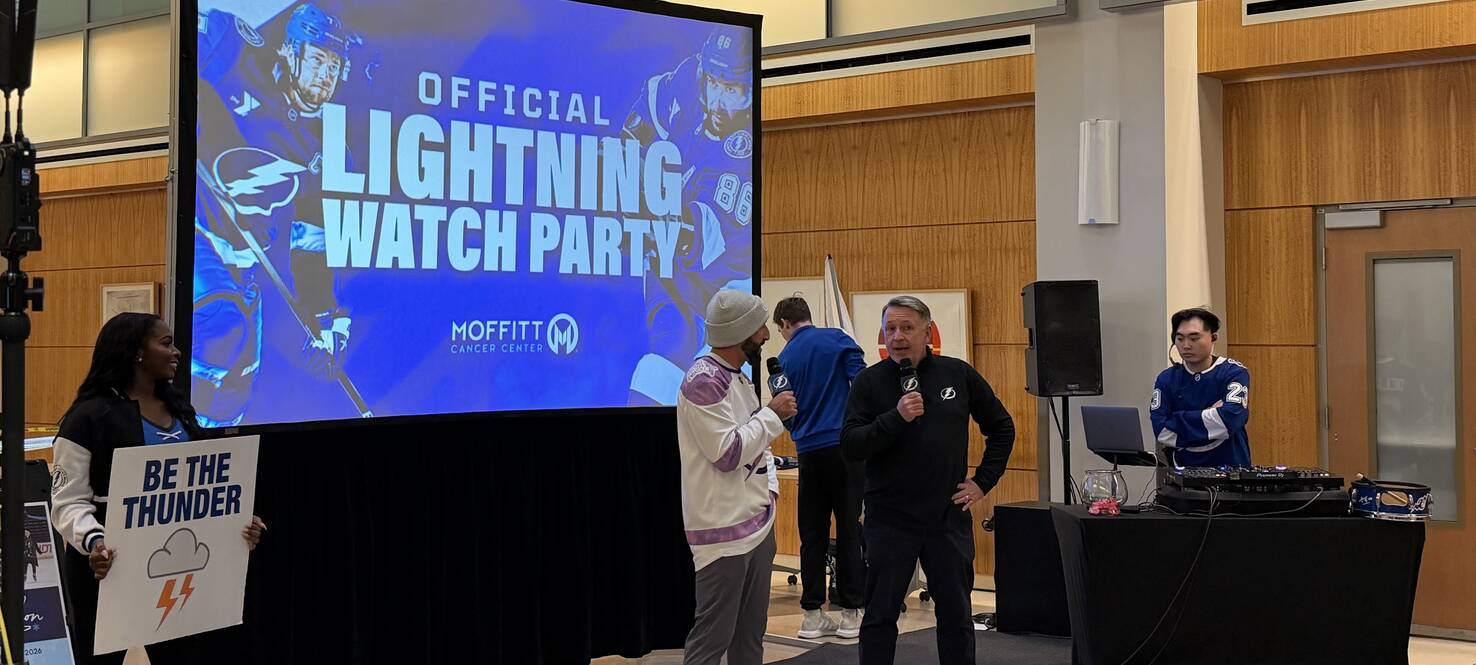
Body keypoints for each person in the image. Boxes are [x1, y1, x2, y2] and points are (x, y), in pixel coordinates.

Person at [51, 313, 267, 665]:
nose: (177, 352)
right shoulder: (87, 418)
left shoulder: (183, 411)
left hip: (179, 570)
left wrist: (237, 522)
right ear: (136, 352)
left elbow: (204, 488)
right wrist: (95, 542)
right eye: (166, 343)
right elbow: (67, 502)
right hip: (107, 570)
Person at [193, 3, 364, 426]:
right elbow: (185, 50)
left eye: (334, 66)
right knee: (222, 325)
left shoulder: (326, 147)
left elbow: (311, 243)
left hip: (246, 264)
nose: (325, 75)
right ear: (290, 51)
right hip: (200, 237)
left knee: (237, 383)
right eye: (318, 59)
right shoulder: (236, 55)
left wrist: (326, 323)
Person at [841, 296, 1014, 665]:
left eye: (907, 328)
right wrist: (895, 418)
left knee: (956, 616)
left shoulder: (957, 374)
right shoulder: (869, 382)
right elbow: (851, 444)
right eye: (890, 329)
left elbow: (1001, 427)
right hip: (889, 518)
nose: (897, 337)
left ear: (927, 331)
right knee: (880, 615)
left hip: (946, 517)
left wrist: (983, 482)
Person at [625, 25, 756, 405]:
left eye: (731, 90)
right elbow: (634, 134)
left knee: (714, 373)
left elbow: (696, 238)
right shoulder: (688, 78)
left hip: (727, 281)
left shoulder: (741, 157)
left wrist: (641, 207)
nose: (717, 101)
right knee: (669, 344)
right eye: (714, 82)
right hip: (675, 270)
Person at [677, 290, 796, 665]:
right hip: (723, 533)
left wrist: (770, 494)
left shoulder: (737, 378)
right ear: (740, 332)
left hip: (756, 523)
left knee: (749, 638)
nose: (766, 334)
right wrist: (772, 415)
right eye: (760, 327)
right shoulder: (703, 381)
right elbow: (728, 453)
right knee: (712, 641)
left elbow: (756, 447)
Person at [772, 296, 867, 639]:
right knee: (849, 530)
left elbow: (785, 412)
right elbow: (863, 383)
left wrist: (800, 429)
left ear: (784, 324)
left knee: (812, 534)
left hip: (809, 453)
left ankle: (812, 615)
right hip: (845, 447)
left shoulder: (783, 361)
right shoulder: (838, 339)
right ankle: (851, 613)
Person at [1150, 307, 1252, 467]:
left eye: (1194, 338)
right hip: (1183, 470)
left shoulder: (1233, 372)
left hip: (1230, 468)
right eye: (1180, 338)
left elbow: (1230, 420)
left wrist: (1177, 420)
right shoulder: (1166, 379)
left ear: (1213, 337)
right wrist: (1211, 413)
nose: (1186, 345)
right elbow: (1162, 431)